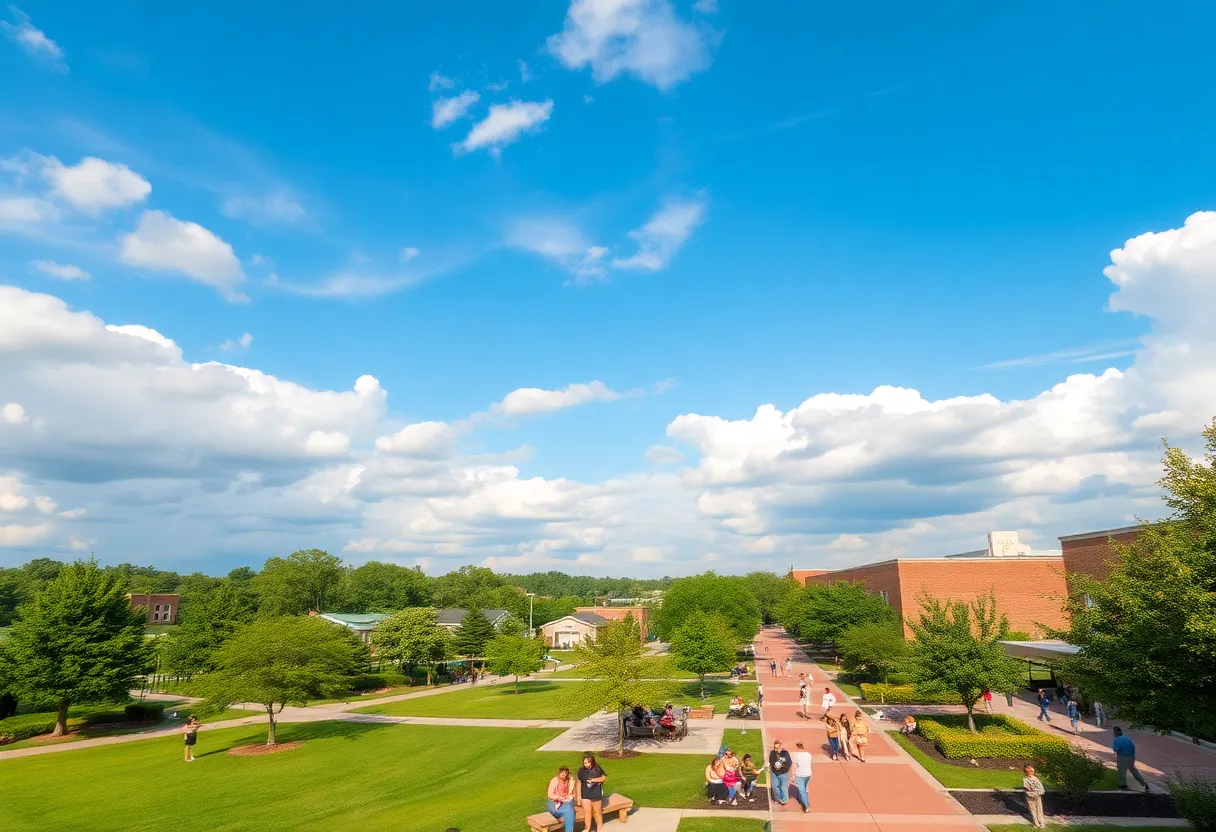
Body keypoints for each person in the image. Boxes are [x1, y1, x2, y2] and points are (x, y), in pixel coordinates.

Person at [1112, 727, 1150, 792]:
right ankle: (1144, 784)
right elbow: (1133, 747)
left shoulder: (1116, 740)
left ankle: (1123, 785)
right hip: (1131, 756)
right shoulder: (1127, 737)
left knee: (1122, 771)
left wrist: (1114, 759)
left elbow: (1116, 751)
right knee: (1133, 771)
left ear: (1115, 733)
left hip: (1122, 757)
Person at [578, 753, 608, 830]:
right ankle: (587, 828)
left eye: (589, 762)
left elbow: (604, 777)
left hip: (596, 793)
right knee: (587, 813)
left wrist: (595, 780)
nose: (587, 764)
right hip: (585, 794)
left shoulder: (598, 769)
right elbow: (579, 783)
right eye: (585, 763)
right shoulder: (581, 771)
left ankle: (599, 828)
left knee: (597, 813)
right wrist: (579, 797)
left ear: (592, 761)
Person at [546, 766, 577, 832]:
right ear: (559, 773)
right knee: (569, 810)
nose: (563, 774)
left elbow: (573, 794)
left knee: (569, 809)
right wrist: (560, 798)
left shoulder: (570, 781)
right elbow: (550, 794)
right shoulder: (555, 780)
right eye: (562, 773)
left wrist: (569, 797)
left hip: (566, 802)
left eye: (565, 773)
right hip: (554, 802)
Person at [791, 741, 814, 814]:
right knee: (805, 788)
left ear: (797, 748)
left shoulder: (796, 756)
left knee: (802, 790)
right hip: (808, 774)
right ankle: (804, 800)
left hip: (800, 775)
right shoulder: (808, 755)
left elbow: (794, 766)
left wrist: (793, 775)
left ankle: (806, 806)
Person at [1023, 764, 1046, 829]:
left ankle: (1042, 822)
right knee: (1033, 810)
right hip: (1030, 797)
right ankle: (1036, 823)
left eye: (1032, 771)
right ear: (1027, 772)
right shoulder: (1025, 780)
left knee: (1039, 809)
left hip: (1038, 796)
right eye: (1030, 772)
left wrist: (1039, 792)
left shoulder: (1036, 779)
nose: (1032, 773)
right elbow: (1027, 789)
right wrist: (1033, 792)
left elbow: (1041, 787)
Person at [769, 740, 792, 805]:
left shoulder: (785, 753)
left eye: (777, 748)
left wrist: (782, 766)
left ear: (780, 747)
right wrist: (775, 765)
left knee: (783, 787)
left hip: (784, 773)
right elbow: (771, 761)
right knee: (775, 786)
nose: (776, 749)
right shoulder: (773, 753)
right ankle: (778, 798)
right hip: (775, 773)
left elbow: (789, 762)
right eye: (775, 748)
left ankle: (784, 800)